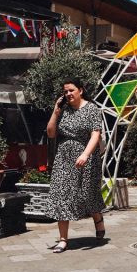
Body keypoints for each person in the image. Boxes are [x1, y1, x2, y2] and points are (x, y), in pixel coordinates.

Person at [45, 78, 107, 253]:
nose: (68, 94)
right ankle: (63, 240)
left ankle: (97, 218)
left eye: (71, 90)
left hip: (86, 156)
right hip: (64, 157)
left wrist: (85, 154)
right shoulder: (63, 110)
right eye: (65, 91)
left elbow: (95, 134)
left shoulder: (92, 109)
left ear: (81, 90)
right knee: (61, 194)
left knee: (87, 194)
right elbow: (50, 133)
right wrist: (56, 112)